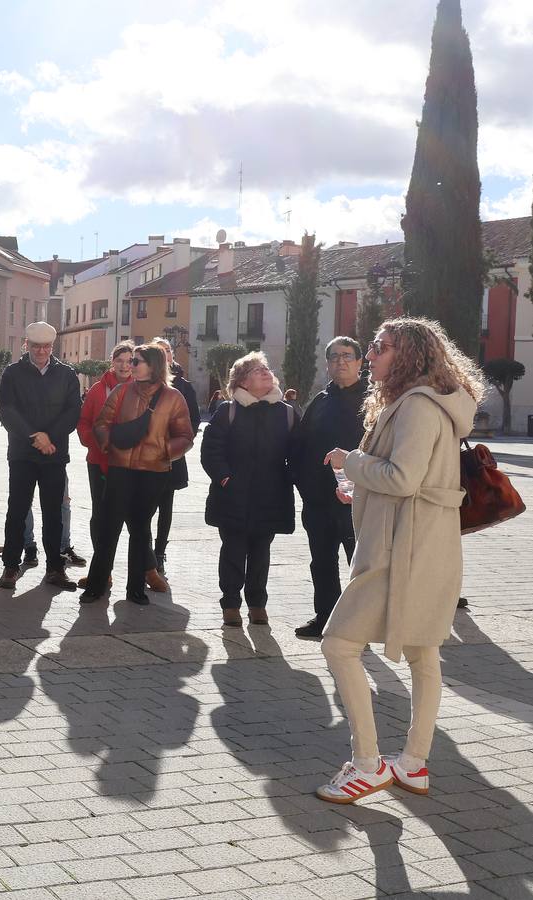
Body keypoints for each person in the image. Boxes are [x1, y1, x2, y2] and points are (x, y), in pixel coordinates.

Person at [314, 318, 482, 804]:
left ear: (407, 355)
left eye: (379, 347)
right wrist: (363, 483)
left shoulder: (418, 406)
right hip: (426, 542)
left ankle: (367, 764)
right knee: (423, 652)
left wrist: (351, 463)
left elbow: (404, 478)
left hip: (400, 548)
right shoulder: (431, 402)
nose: (369, 355)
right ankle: (413, 764)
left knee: (338, 645)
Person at [83, 343, 194, 605]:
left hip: (153, 472)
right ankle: (96, 586)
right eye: (131, 361)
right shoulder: (122, 392)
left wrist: (164, 451)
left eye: (137, 361)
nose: (130, 366)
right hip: (120, 469)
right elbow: (101, 423)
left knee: (140, 530)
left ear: (153, 365)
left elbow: (186, 436)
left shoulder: (173, 397)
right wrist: (109, 444)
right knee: (109, 528)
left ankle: (135, 589)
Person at [201, 352, 297, 627]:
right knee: (233, 549)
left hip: (270, 496)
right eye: (257, 370)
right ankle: (230, 603)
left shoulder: (287, 413)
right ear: (242, 381)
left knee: (260, 552)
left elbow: (298, 452)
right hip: (232, 495)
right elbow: (211, 451)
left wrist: (288, 479)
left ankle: (257, 603)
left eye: (266, 368)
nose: (265, 372)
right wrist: (225, 480)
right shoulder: (227, 411)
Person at [290, 336, 367, 639]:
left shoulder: (375, 402)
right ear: (327, 363)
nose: (341, 361)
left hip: (359, 501)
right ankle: (325, 618)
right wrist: (304, 486)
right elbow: (300, 445)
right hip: (319, 501)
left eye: (347, 355)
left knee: (359, 567)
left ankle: (359, 625)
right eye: (334, 356)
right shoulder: (320, 401)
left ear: (360, 362)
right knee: (321, 562)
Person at [0, 322, 79, 592]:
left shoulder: (66, 374)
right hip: (22, 454)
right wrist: (35, 436)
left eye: (46, 347)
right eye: (36, 346)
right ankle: (11, 565)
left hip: (53, 455)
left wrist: (49, 438)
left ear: (52, 347)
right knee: (17, 511)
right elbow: (7, 411)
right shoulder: (12, 373)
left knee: (54, 514)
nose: (41, 351)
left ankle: (55, 567)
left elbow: (72, 411)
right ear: (26, 345)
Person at [76, 341, 135, 592]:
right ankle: (103, 572)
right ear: (112, 362)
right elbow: (84, 423)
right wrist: (95, 443)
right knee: (99, 517)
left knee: (131, 520)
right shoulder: (98, 390)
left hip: (128, 464)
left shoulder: (140, 389)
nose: (124, 365)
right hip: (98, 461)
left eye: (129, 361)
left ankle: (146, 570)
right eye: (119, 360)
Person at [149, 337, 201, 580]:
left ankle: (159, 554)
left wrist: (173, 446)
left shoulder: (183, 385)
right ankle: (145, 554)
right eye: (160, 351)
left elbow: (193, 422)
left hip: (171, 455)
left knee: (165, 506)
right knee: (143, 508)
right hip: (144, 456)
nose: (165, 354)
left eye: (168, 350)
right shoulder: (143, 382)